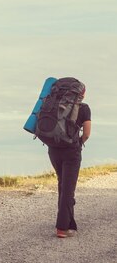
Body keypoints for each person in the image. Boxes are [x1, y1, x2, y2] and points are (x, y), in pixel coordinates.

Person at [48, 91, 91, 238]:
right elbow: (86, 134)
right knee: (68, 188)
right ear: (81, 95)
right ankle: (62, 227)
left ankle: (66, 219)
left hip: (53, 150)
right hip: (71, 151)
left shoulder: (54, 107)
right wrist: (78, 144)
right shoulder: (84, 108)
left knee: (62, 183)